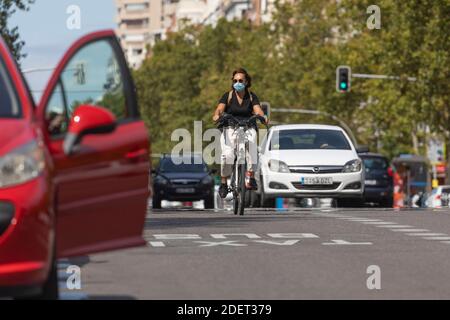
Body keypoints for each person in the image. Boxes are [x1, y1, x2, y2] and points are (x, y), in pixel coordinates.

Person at [212, 68, 267, 199]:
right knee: (228, 155)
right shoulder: (228, 96)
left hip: (248, 126)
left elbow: (258, 110)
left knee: (253, 146)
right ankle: (224, 183)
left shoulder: (252, 96)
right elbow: (219, 109)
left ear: (246, 82)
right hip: (230, 127)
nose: (237, 82)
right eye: (235, 80)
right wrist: (217, 115)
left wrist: (262, 116)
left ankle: (251, 176)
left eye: (240, 80)